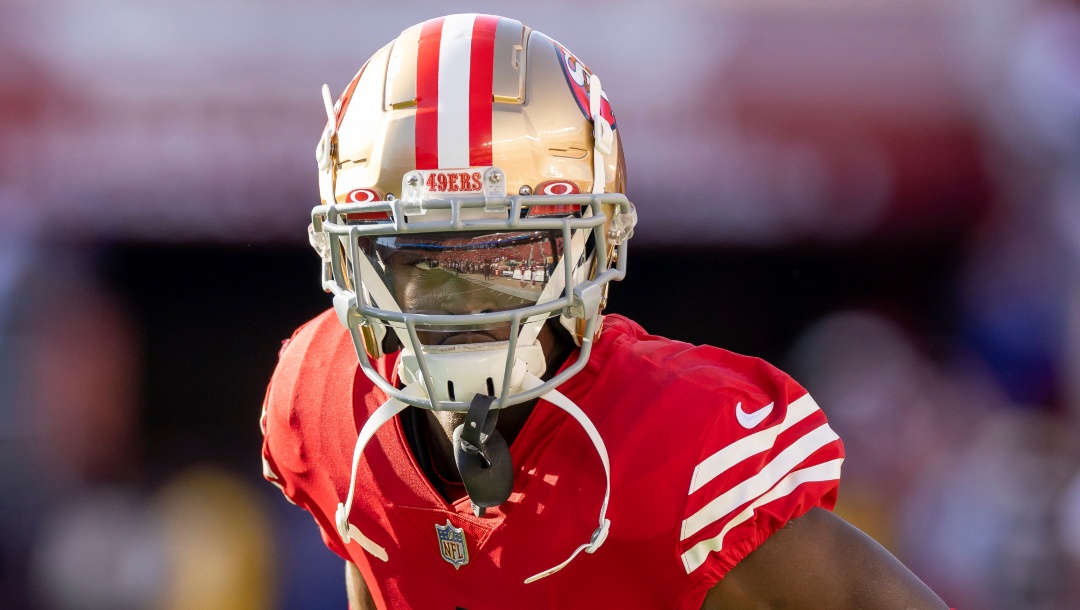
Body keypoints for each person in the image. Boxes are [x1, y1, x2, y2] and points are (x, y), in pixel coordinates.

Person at [260, 14, 948, 609]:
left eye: (506, 255)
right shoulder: (326, 404)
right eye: (420, 254)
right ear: (354, 256)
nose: (461, 299)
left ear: (590, 245)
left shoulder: (673, 445)